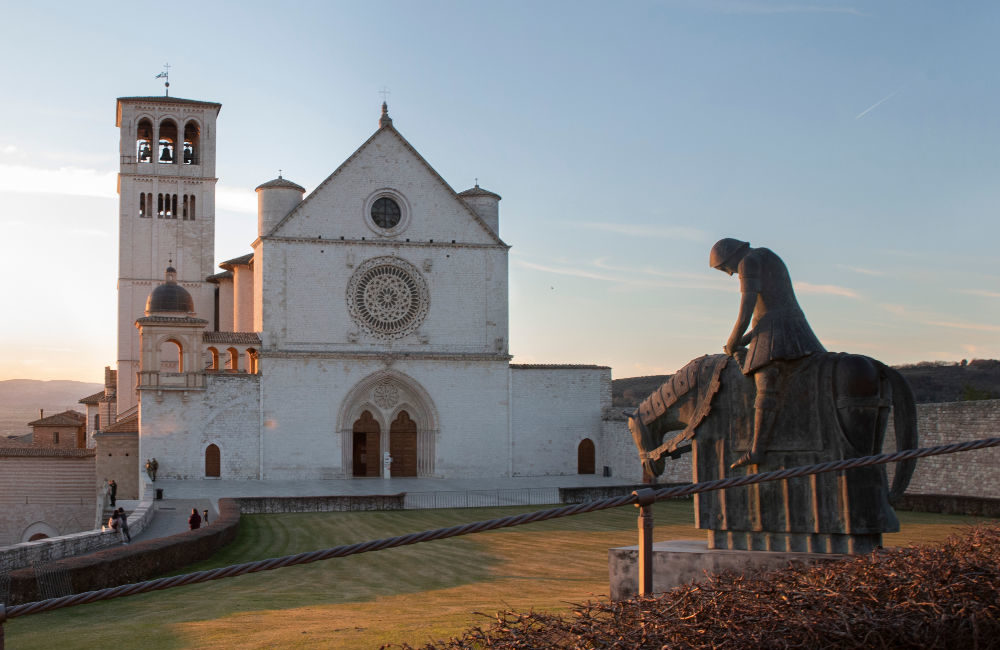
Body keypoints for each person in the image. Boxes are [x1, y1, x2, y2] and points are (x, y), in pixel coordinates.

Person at [710, 238, 826, 469]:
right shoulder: (768, 255)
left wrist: (732, 341)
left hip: (781, 331)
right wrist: (743, 340)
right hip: (788, 325)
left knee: (765, 381)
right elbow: (769, 312)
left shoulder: (748, 262)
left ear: (730, 256)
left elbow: (747, 309)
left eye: (723, 268)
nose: (728, 274)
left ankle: (758, 449)